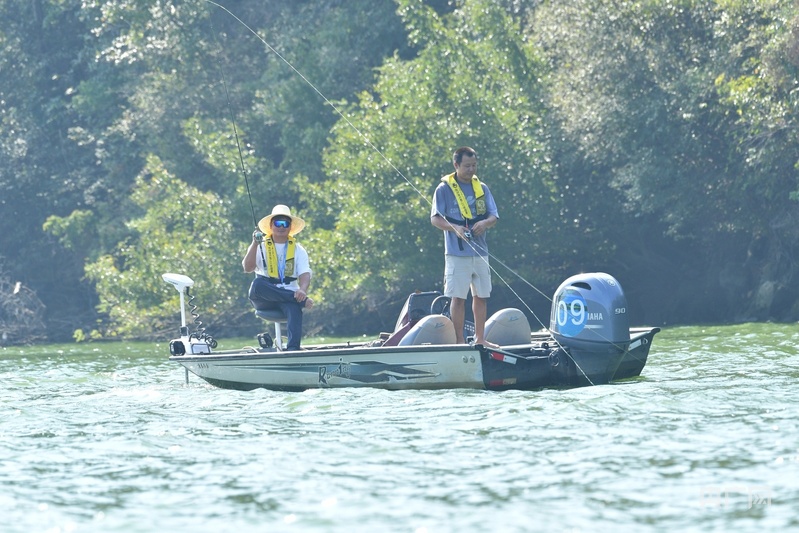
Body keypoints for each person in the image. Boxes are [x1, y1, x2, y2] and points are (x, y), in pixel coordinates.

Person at [431, 147, 499, 347]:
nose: (471, 170)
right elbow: (435, 219)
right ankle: (459, 340)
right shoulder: (443, 189)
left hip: (480, 252)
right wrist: (455, 228)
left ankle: (480, 339)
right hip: (456, 253)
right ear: (456, 165)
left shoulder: (482, 188)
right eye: (467, 166)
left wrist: (484, 224)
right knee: (458, 297)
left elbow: (494, 216)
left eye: (474, 166)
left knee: (481, 295)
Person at [242, 204, 313, 351]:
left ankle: (293, 349)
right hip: (265, 297)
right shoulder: (260, 246)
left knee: (294, 308)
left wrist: (303, 290)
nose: (281, 227)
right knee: (257, 284)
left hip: (288, 296)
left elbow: (305, 273)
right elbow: (247, 268)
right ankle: (297, 299)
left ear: (290, 227)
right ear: (271, 225)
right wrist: (254, 243)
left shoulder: (299, 250)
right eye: (278, 223)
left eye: (285, 223)